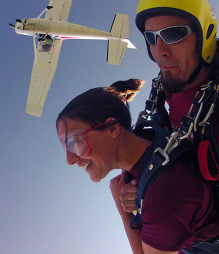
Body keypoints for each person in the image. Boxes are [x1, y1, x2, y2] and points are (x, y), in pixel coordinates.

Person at [110, 0, 219, 252]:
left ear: (205, 34)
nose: (160, 49)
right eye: (151, 37)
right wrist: (137, 182)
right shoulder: (170, 94)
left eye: (174, 33)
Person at [56, 78, 219, 254]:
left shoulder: (162, 197)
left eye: (74, 142)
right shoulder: (149, 141)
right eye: (66, 147)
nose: (69, 160)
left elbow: (165, 203)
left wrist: (123, 210)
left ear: (112, 129)